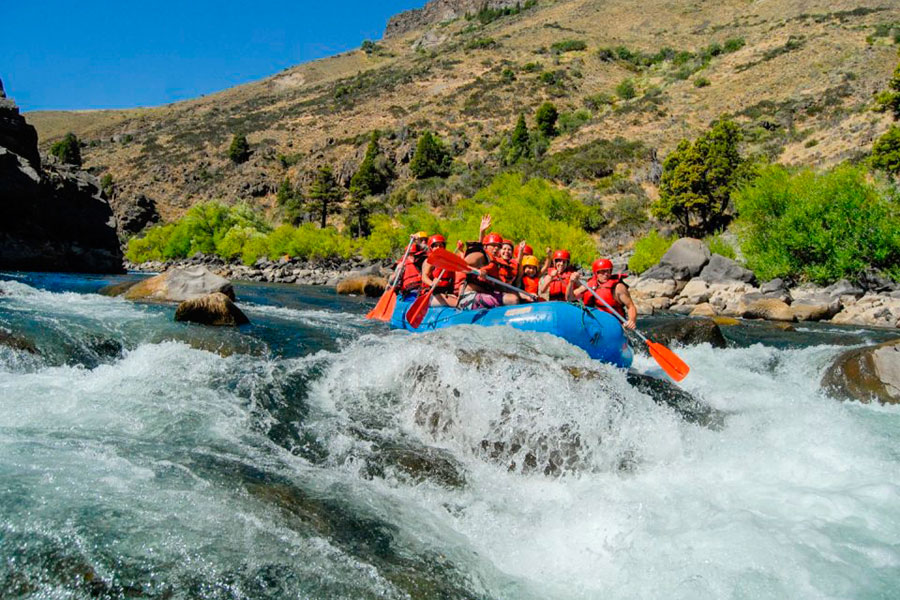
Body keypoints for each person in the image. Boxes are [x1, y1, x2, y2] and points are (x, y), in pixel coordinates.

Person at [570, 258, 638, 330]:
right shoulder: (589, 285)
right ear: (596, 273)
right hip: (596, 324)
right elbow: (570, 298)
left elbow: (631, 306)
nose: (606, 274)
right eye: (602, 271)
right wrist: (571, 282)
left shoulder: (618, 287)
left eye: (608, 271)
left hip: (615, 326)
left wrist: (631, 320)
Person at [421, 234, 457, 307]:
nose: (438, 247)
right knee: (456, 303)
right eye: (435, 246)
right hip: (432, 293)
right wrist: (432, 283)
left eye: (441, 245)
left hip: (446, 292)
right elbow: (424, 277)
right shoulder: (430, 260)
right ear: (431, 248)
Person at [397, 231, 429, 297]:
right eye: (421, 240)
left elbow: (427, 249)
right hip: (407, 291)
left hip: (421, 291)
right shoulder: (405, 259)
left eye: (425, 240)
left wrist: (418, 242)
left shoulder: (426, 255)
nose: (424, 242)